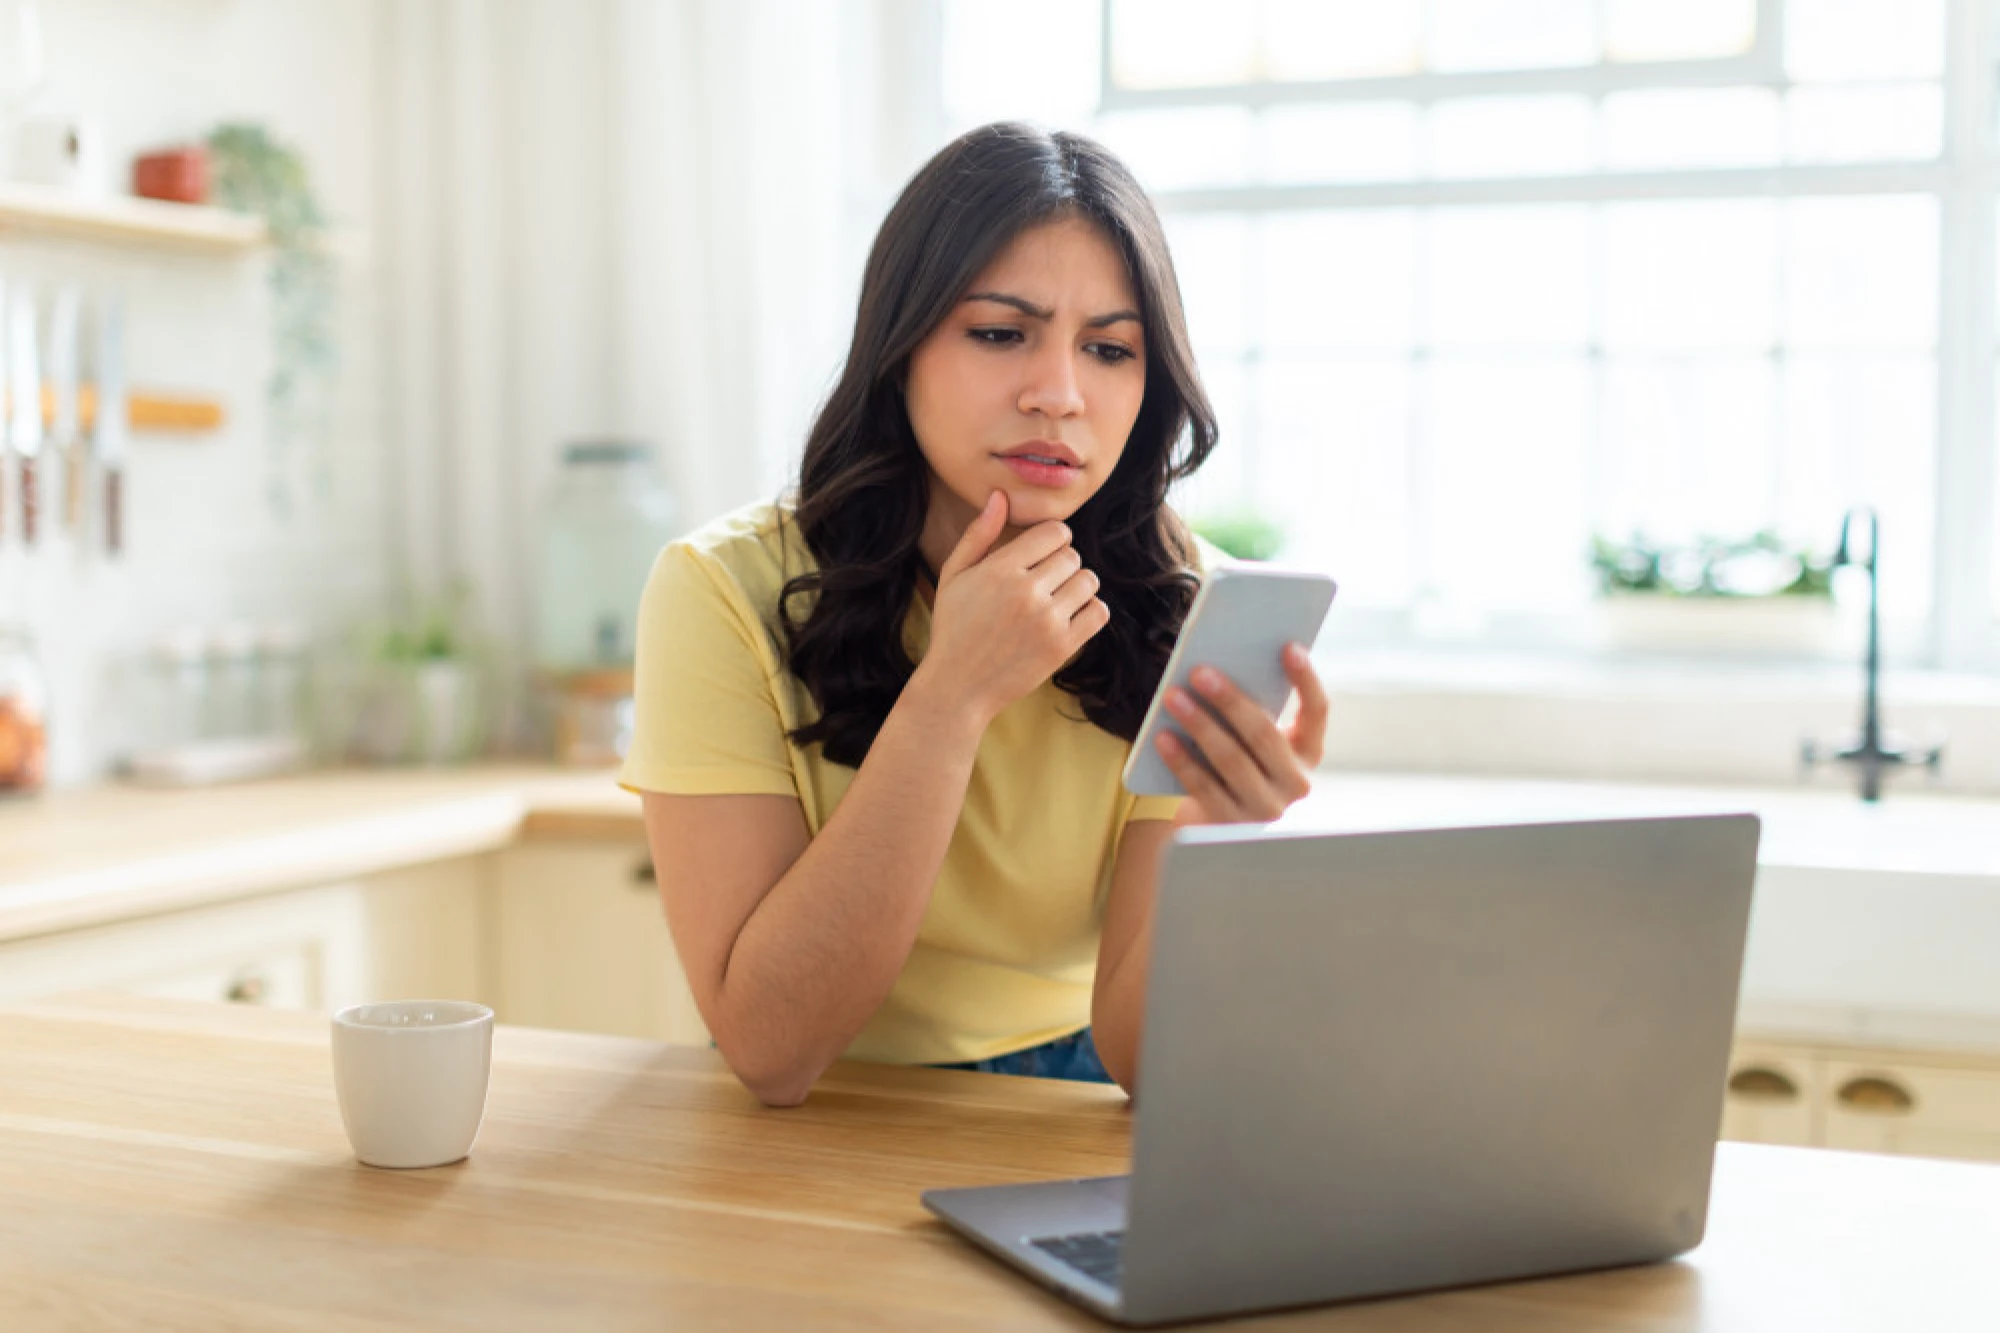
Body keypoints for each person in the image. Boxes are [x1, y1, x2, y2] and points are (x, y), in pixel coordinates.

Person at [621, 121, 1327, 1107]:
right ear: (899, 345)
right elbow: (772, 1050)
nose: (1057, 394)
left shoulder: (1191, 606)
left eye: (1109, 348)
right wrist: (950, 694)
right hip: (822, 1106)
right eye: (1000, 333)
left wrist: (1213, 827)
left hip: (1068, 1101)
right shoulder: (718, 589)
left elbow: (1141, 1061)